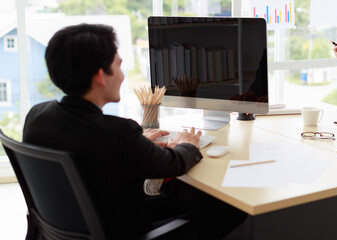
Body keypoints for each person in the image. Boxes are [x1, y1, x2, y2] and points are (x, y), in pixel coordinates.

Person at [23, 23, 245, 239]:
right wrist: (187, 143)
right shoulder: (117, 134)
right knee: (232, 204)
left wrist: (138, 145)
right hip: (123, 230)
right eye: (119, 66)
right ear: (100, 76)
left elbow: (92, 150)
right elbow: (176, 162)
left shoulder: (37, 117)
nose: (122, 75)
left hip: (79, 224)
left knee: (189, 196)